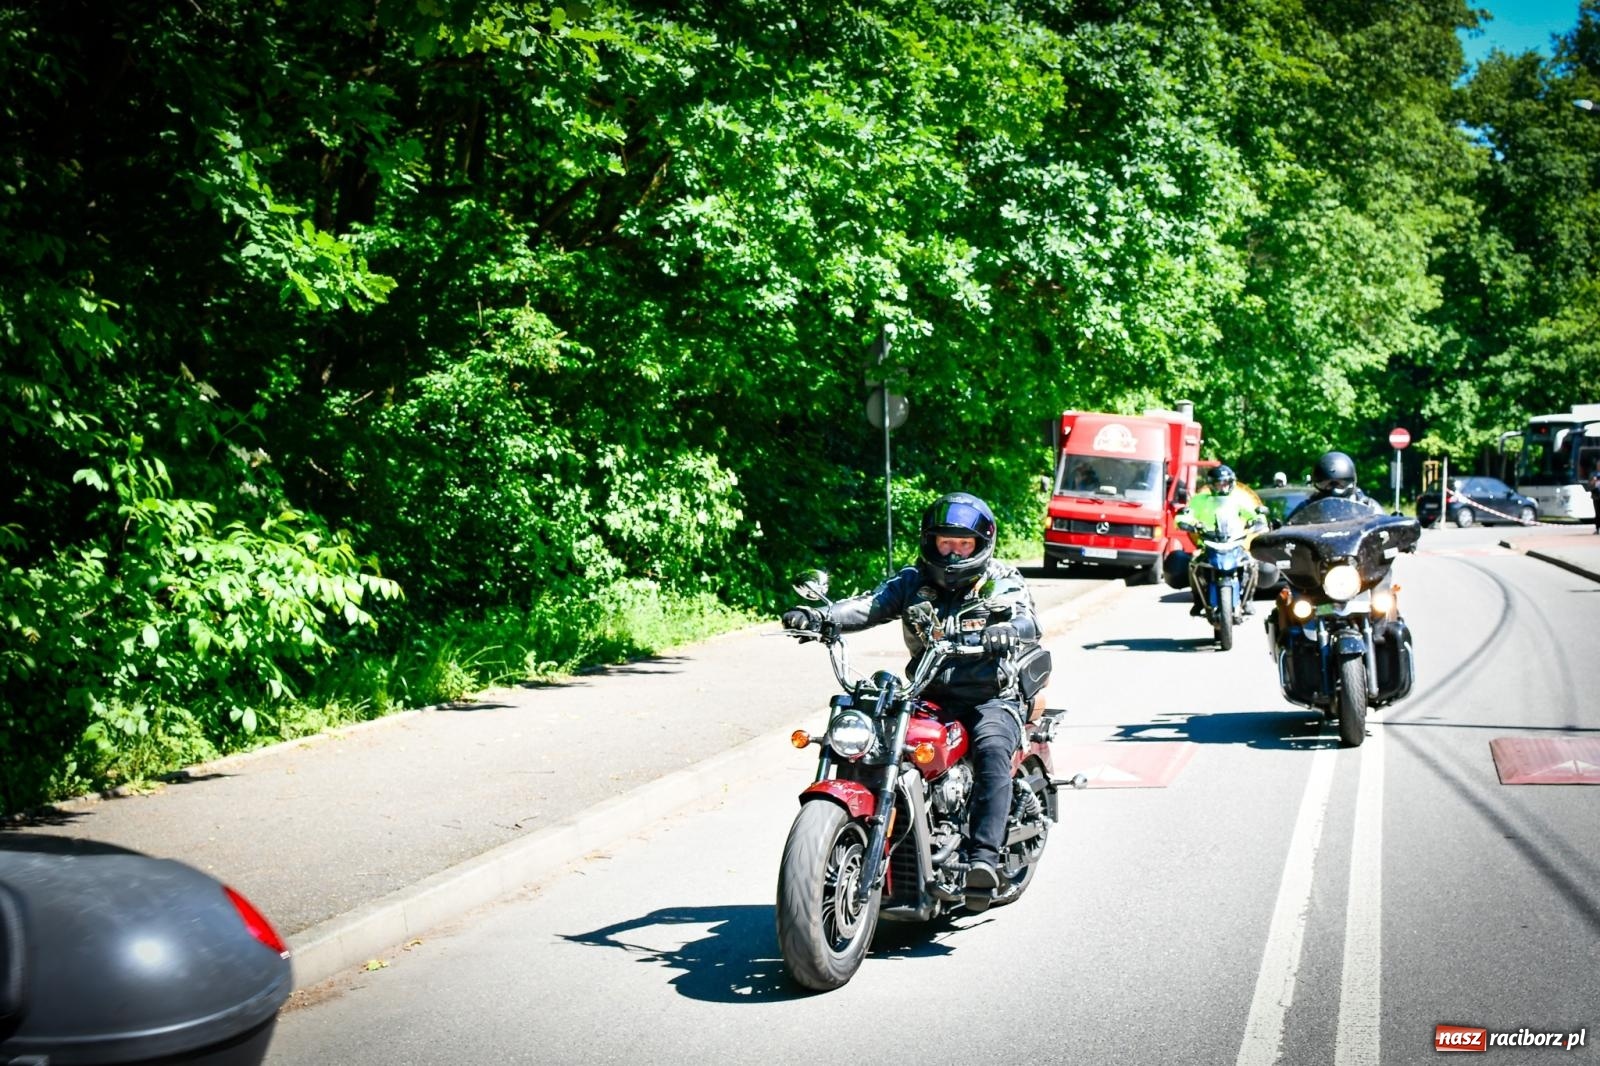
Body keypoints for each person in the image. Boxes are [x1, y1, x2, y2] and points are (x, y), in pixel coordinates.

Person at [780, 492, 1041, 894]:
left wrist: (1009, 630)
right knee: (876, 738)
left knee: (991, 748)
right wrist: (821, 617)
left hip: (988, 695)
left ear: (981, 545)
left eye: (964, 544)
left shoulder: (1000, 579)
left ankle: (983, 859)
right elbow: (870, 605)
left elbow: (1025, 618)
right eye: (945, 542)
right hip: (927, 692)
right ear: (930, 541)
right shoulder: (913, 580)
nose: (953, 553)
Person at [1176, 465, 1268, 616]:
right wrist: (1185, 521)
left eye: (1225, 483)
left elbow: (1254, 513)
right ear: (1211, 484)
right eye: (1218, 483)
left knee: (1251, 562)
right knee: (1194, 562)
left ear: (1231, 483)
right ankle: (1198, 600)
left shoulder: (1239, 499)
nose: (1221, 487)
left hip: (1234, 541)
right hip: (1207, 542)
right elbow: (1187, 513)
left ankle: (1249, 600)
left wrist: (1258, 520)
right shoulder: (1199, 500)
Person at [1290, 450, 1382, 516]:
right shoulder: (1307, 508)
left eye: (1340, 483)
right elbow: (1289, 530)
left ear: (1353, 482)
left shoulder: (1368, 506)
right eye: (1326, 484)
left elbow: (1385, 530)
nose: (1333, 489)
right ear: (1316, 484)